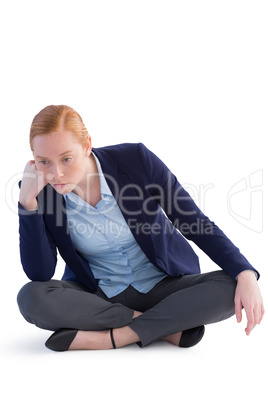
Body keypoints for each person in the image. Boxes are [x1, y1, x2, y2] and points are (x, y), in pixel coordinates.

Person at [17, 105, 264, 352]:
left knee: (232, 285)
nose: (55, 173)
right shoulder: (42, 192)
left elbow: (194, 222)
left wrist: (244, 273)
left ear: (87, 145)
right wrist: (28, 204)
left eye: (66, 159)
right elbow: (40, 272)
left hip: (164, 286)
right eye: (44, 162)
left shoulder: (135, 160)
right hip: (98, 295)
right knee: (30, 297)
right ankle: (164, 326)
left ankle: (111, 337)